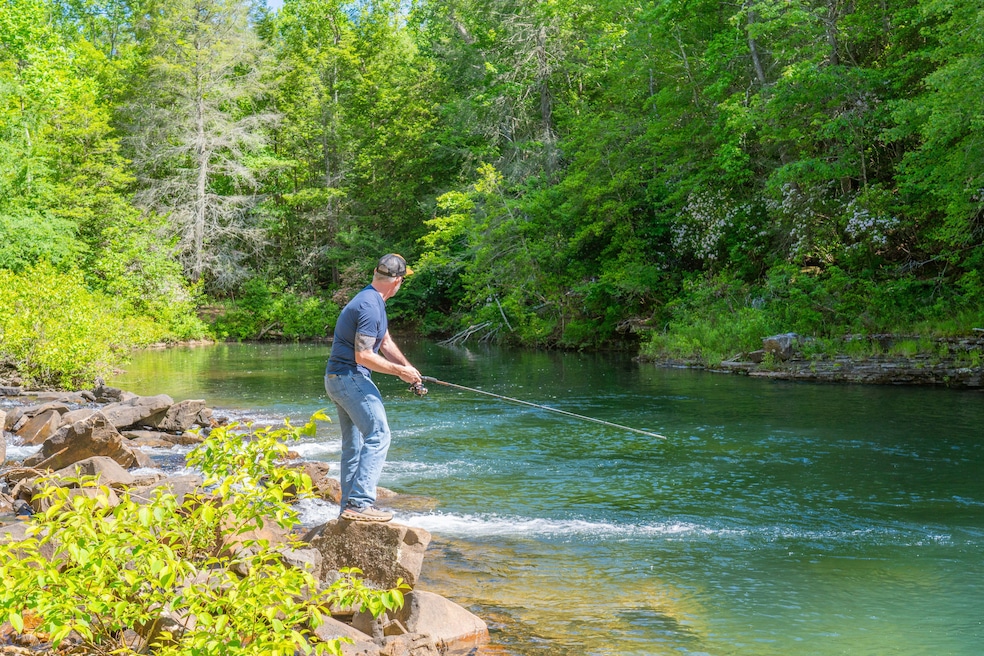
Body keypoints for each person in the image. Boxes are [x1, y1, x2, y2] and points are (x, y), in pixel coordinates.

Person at [324, 254, 423, 522]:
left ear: (375, 274)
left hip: (337, 379)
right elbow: (364, 356)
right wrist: (400, 372)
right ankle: (359, 504)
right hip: (349, 378)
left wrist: (409, 369)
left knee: (354, 446)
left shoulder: (372, 300)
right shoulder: (369, 305)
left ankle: (349, 508)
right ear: (398, 281)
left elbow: (386, 342)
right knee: (379, 434)